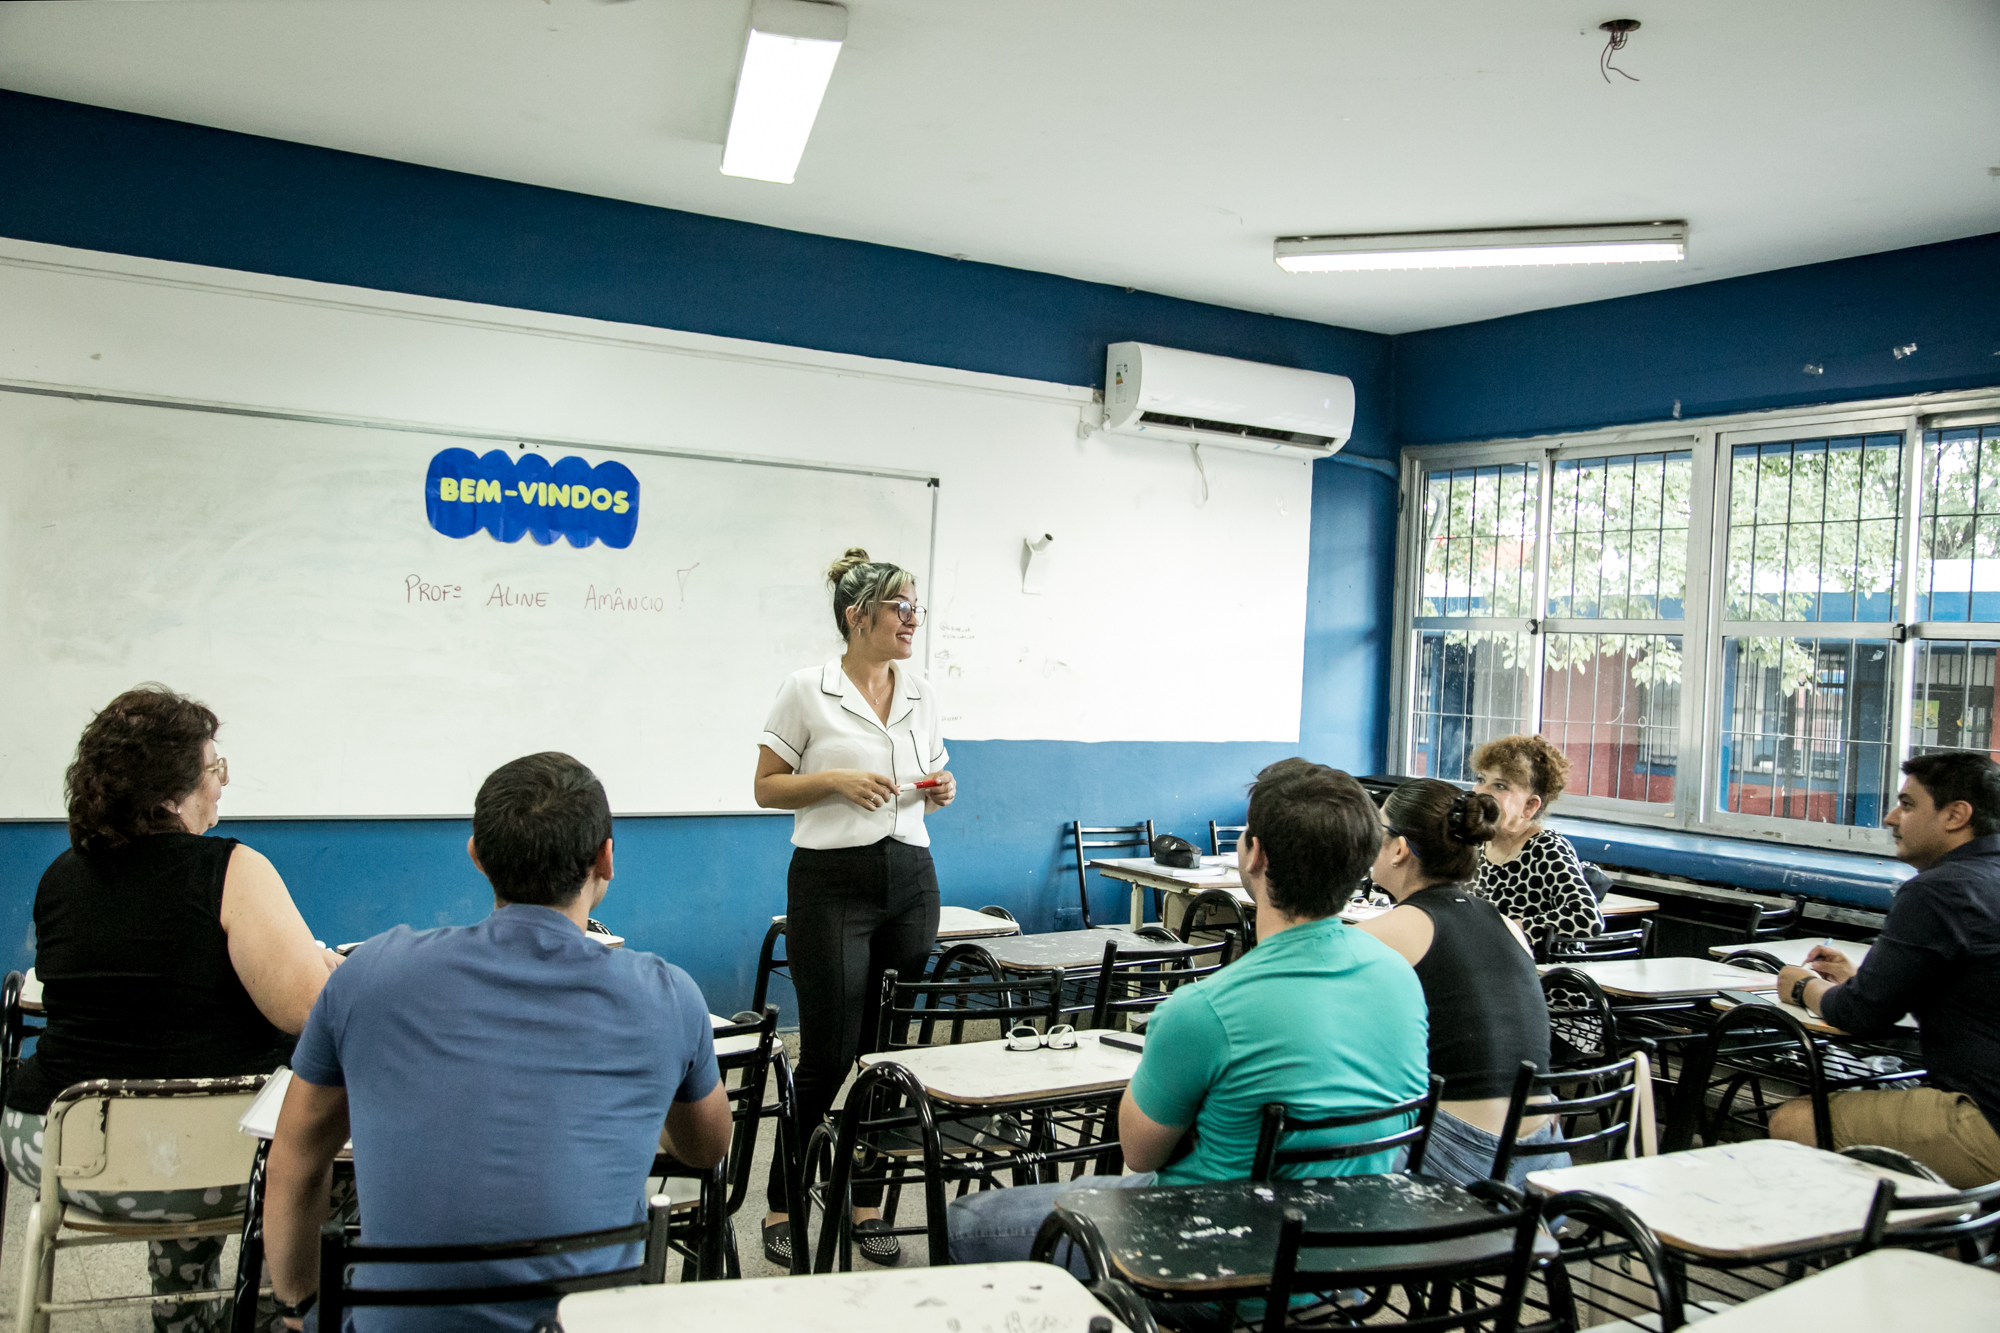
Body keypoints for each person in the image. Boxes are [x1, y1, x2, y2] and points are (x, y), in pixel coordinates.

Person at [260, 752, 733, 1331]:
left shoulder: (368, 975)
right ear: (606, 858)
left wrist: (300, 1306)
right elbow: (707, 1148)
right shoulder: (667, 996)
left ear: (476, 856)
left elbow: (297, 1160)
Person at [945, 760, 1428, 1268]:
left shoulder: (1206, 1008)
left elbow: (1140, 1154)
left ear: (1255, 854)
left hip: (1214, 1263)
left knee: (970, 1220)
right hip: (1354, 1258)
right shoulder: (1400, 978)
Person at [3, 685, 340, 1333]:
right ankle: (285, 1306)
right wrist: (322, 968)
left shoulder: (60, 875)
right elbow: (307, 1011)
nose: (222, 783)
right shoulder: (232, 868)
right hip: (199, 1161)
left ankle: (185, 1313)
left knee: (182, 1104)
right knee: (330, 1140)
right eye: (215, 768)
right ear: (168, 792)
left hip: (53, 1145)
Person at [751, 547, 956, 1268]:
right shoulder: (807, 689)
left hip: (911, 877)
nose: (912, 619)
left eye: (915, 607)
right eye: (900, 607)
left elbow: (931, 774)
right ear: (856, 616)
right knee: (831, 1052)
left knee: (888, 1050)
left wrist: (941, 787)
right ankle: (781, 1201)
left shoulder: (921, 691)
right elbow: (766, 787)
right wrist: (835, 780)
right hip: (830, 882)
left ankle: (866, 1200)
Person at [1769, 752, 2000, 1187]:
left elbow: (1859, 1014)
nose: (1891, 818)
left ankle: (1885, 1232)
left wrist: (1802, 987)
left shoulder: (1938, 890)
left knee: (1794, 1122)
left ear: (1956, 815)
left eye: (1907, 805)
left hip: (1987, 1120)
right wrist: (1864, 980)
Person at [1357, 778, 1570, 1186]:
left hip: (1465, 1165)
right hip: (1547, 1163)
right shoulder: (1509, 926)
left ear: (1399, 849)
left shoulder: (1383, 934)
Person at [1470, 734, 1602, 945]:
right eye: (1481, 780)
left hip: (1532, 963)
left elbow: (1587, 918)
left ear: (1530, 806)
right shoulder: (1475, 843)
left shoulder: (1546, 847)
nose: (1481, 792)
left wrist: (1508, 929)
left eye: (1500, 786)